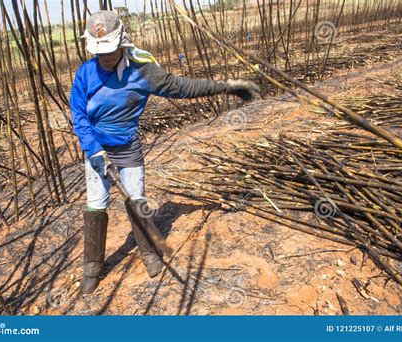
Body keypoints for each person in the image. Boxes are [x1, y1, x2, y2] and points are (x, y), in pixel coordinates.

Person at [69, 10, 260, 294]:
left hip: (128, 145)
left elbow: (181, 87)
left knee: (137, 198)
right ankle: (92, 267)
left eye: (109, 51)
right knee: (96, 203)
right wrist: (94, 150)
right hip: (97, 147)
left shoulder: (142, 71)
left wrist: (226, 87)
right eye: (100, 53)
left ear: (121, 42)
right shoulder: (86, 73)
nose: (105, 58)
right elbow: (79, 115)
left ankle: (148, 252)